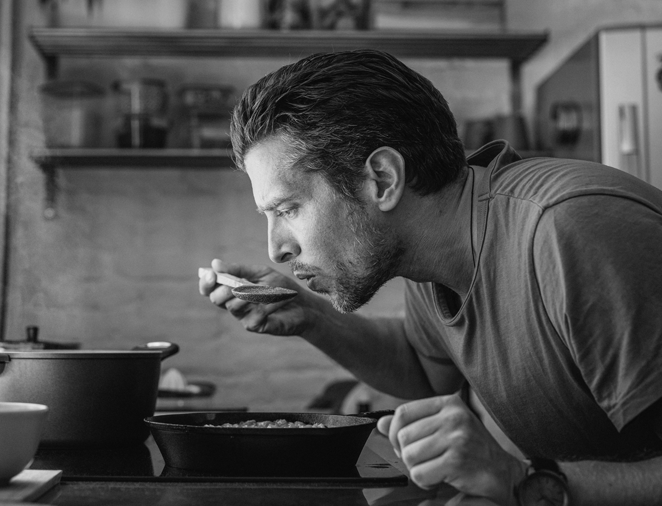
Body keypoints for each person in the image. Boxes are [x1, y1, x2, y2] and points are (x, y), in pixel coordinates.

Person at [197, 50, 662, 505]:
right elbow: (423, 369)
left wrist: (518, 480)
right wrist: (312, 317)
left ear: (381, 179)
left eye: (289, 209)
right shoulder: (432, 248)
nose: (277, 249)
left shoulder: (572, 232)